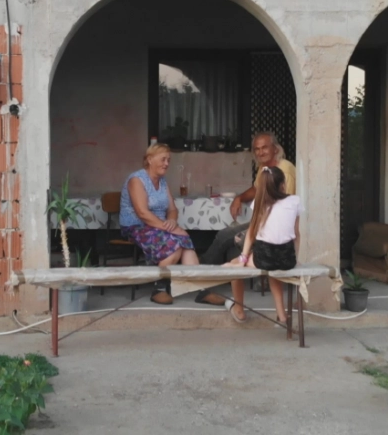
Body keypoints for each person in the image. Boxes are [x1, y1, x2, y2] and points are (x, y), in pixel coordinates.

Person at [119, 143, 226, 306]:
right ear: (150, 159)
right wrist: (167, 228)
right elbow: (142, 213)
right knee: (175, 244)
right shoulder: (137, 180)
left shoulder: (162, 181)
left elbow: (172, 209)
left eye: (168, 160)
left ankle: (202, 290)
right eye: (163, 159)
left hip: (158, 225)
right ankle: (159, 289)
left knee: (184, 239)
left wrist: (172, 221)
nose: (167, 163)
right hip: (137, 226)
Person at [200, 131, 296, 266]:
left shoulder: (284, 171)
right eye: (257, 149)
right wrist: (239, 198)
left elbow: (285, 208)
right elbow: (257, 189)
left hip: (273, 226)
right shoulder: (265, 168)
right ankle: (205, 269)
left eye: (264, 147)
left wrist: (260, 228)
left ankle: (203, 269)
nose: (260, 152)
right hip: (261, 221)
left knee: (235, 240)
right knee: (225, 236)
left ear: (275, 149)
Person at [223, 166, 302, 324]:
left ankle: (239, 310)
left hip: (264, 257)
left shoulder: (259, 202)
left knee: (234, 264)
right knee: (274, 268)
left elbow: (251, 234)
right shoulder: (295, 201)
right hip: (287, 259)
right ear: (283, 185)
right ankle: (281, 314)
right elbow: (296, 234)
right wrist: (295, 259)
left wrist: (242, 259)